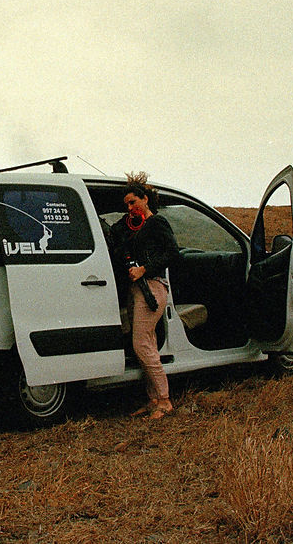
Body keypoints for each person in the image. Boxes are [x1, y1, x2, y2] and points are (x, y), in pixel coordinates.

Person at [110, 172, 180, 420]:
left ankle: (165, 400)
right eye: (126, 205)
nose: (130, 208)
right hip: (137, 290)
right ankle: (153, 400)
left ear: (145, 199)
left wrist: (144, 269)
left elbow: (173, 253)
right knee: (146, 344)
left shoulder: (157, 223)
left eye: (133, 202)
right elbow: (117, 233)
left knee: (140, 343)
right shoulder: (131, 225)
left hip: (152, 287)